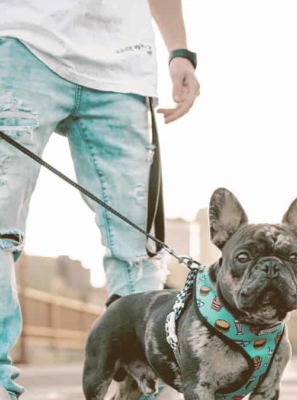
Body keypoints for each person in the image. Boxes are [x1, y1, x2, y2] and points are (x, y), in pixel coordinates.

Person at [0, 0, 200, 398]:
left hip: (124, 67)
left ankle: (143, 390)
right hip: (22, 42)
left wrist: (179, 50)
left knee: (140, 251)